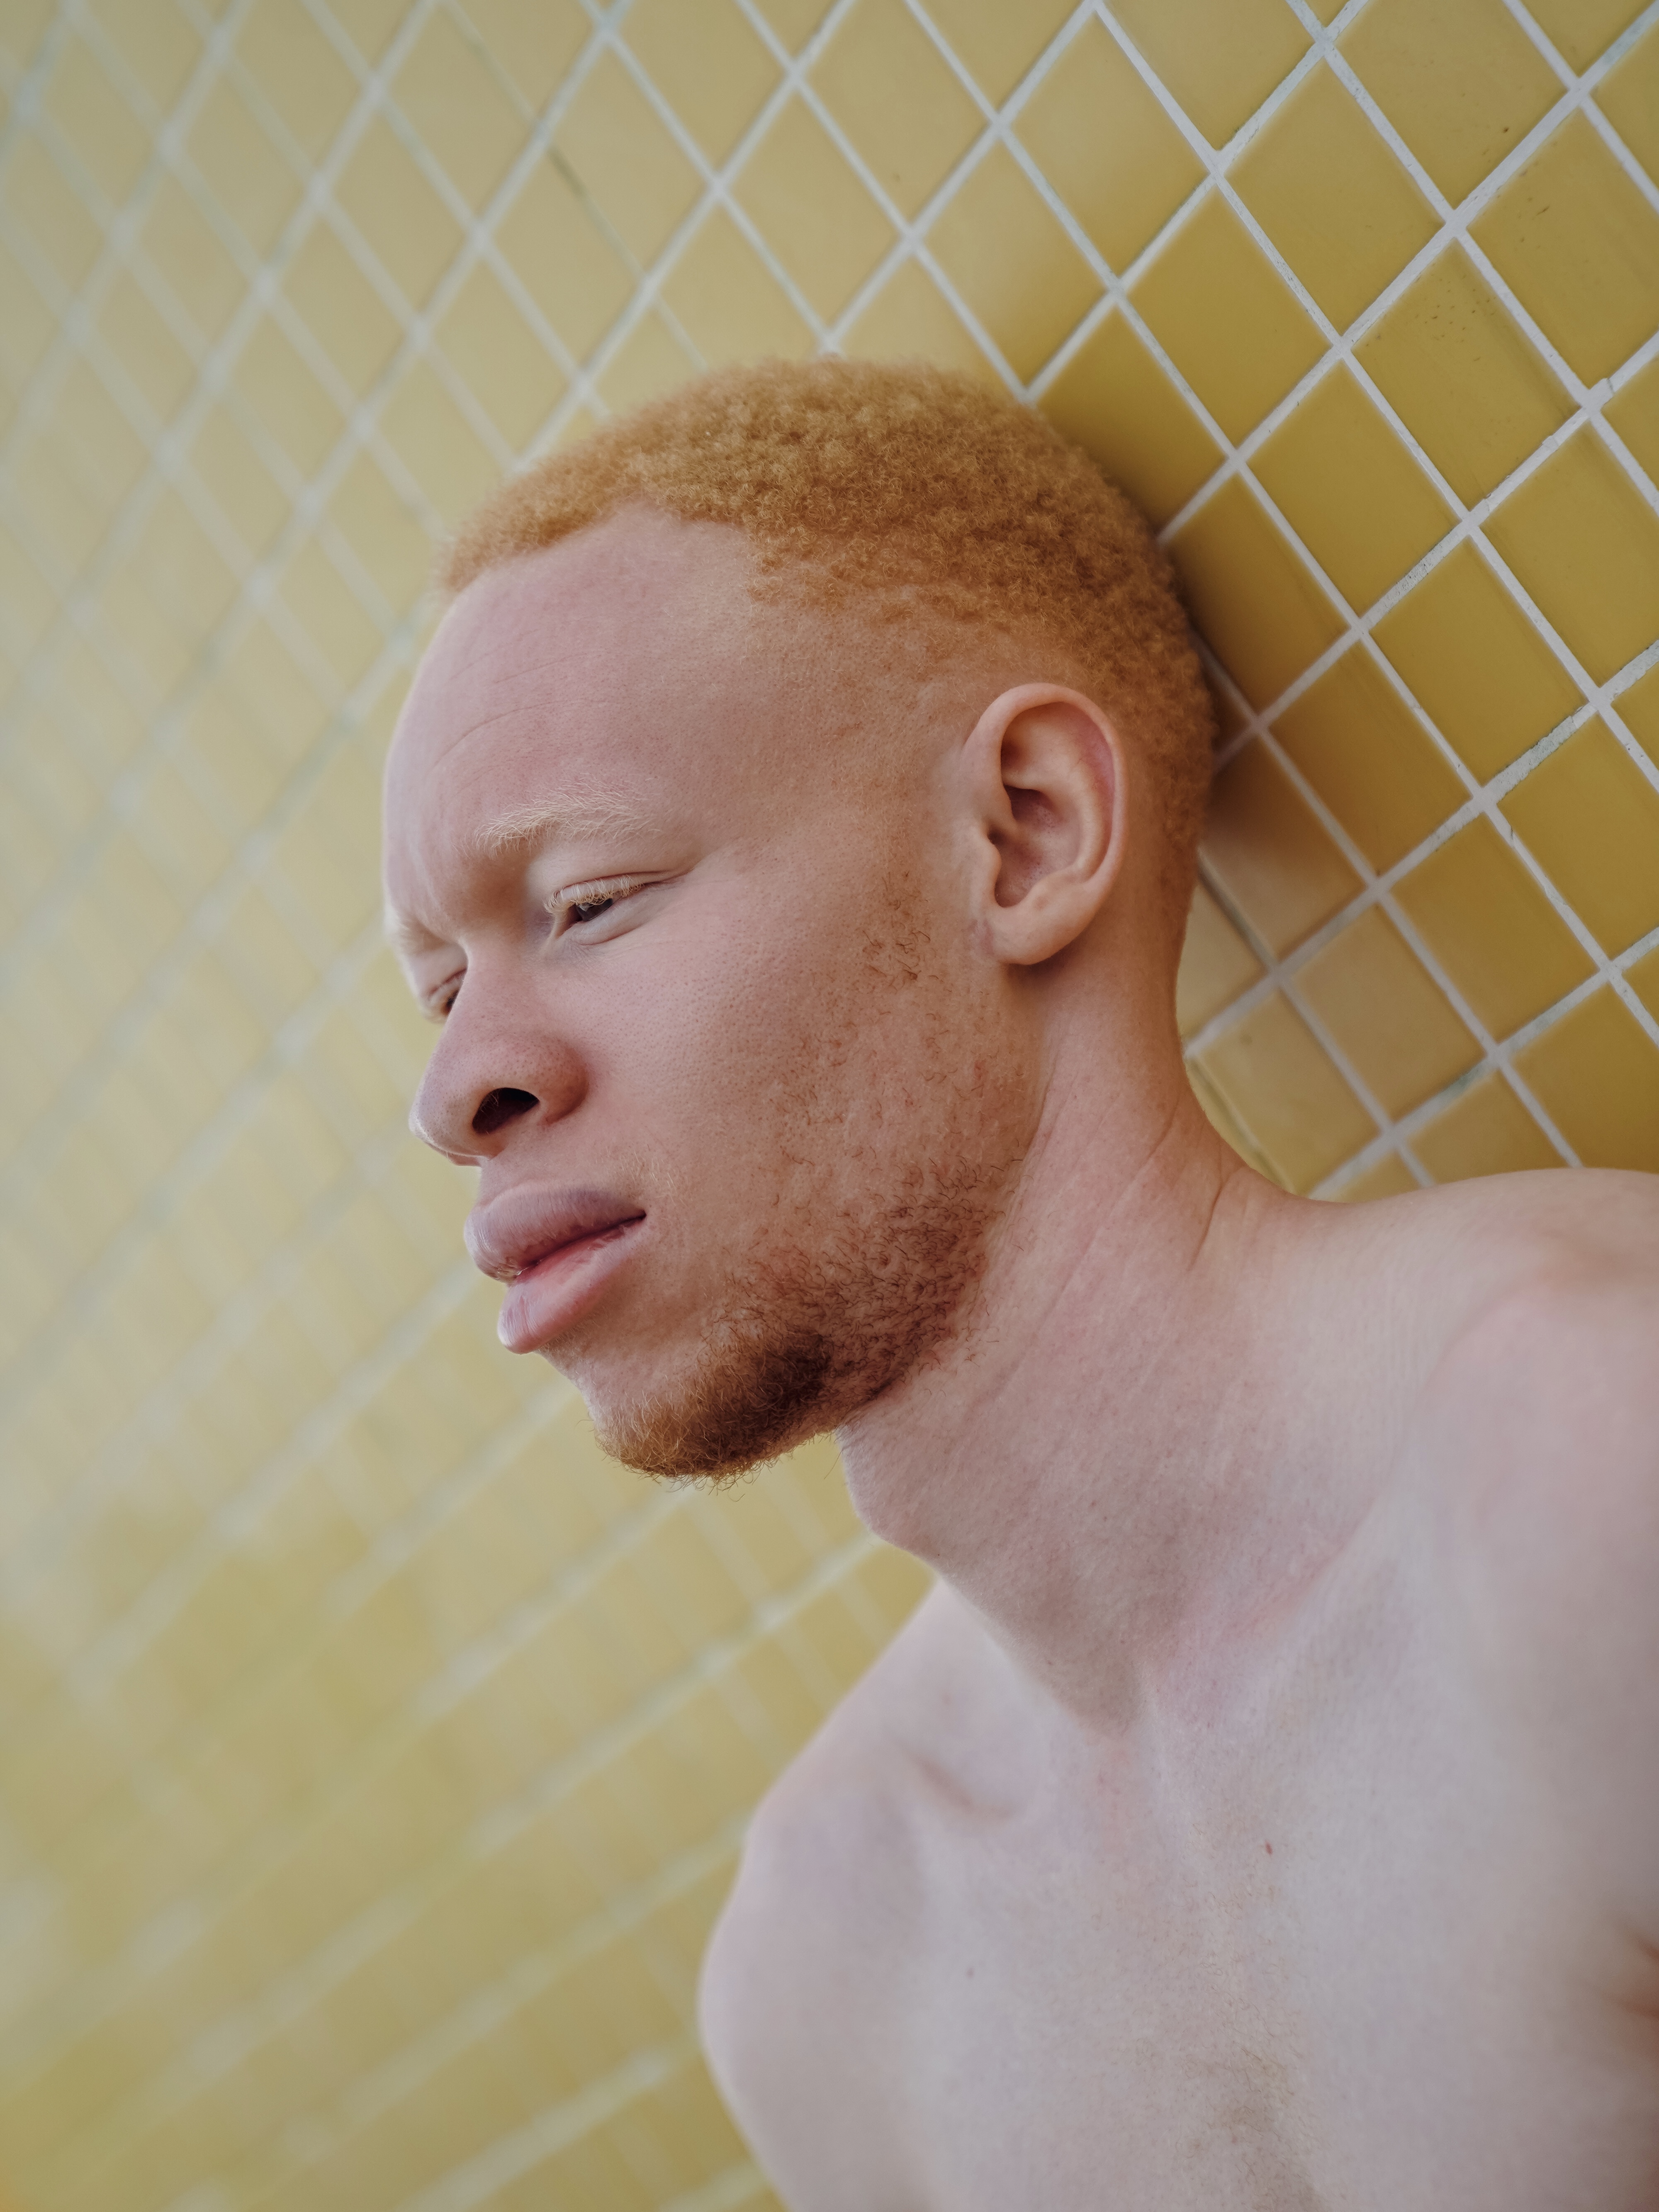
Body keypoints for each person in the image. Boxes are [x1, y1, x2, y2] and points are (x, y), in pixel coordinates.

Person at [380, 359, 1659, 2210]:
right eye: (439, 987)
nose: (455, 1091)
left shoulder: (1593, 1473)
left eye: (587, 901)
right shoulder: (830, 1968)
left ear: (1026, 833)